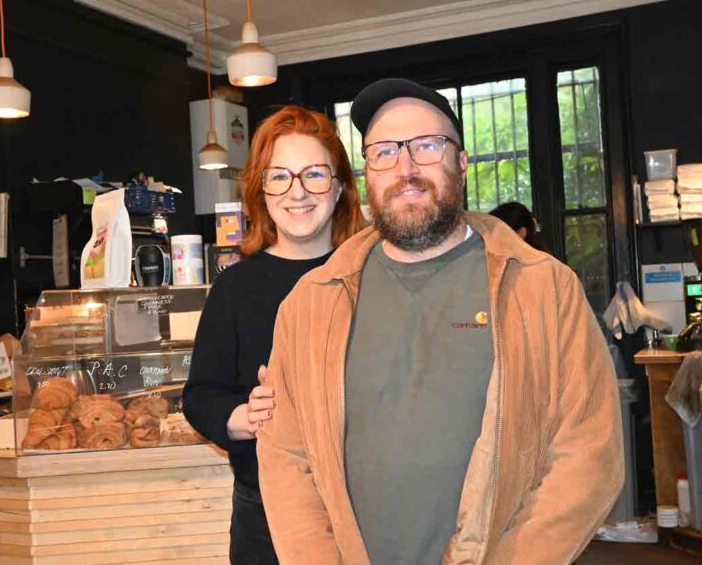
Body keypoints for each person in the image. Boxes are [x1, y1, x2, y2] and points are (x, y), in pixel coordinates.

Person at [257, 78, 623, 565]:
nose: (405, 168)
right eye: (385, 152)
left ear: (463, 162)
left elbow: (588, 455)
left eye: (428, 146)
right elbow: (287, 457)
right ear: (368, 171)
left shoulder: (543, 287)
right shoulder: (310, 303)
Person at [182, 105, 366, 564]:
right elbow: (200, 394)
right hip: (266, 515)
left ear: (340, 186)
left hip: (367, 507)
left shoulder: (374, 275)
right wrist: (241, 417)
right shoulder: (235, 288)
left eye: (314, 175)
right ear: (261, 192)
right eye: (279, 176)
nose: (296, 192)